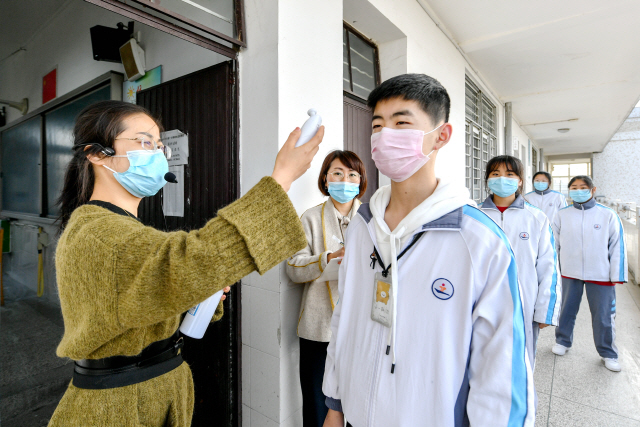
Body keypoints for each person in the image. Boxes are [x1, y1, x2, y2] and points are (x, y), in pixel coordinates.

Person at [48, 100, 324, 426]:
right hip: (118, 406)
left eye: (159, 146)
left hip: (150, 392)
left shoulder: (122, 228)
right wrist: (282, 179)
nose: (157, 154)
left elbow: (145, 296)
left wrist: (194, 293)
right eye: (144, 143)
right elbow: (190, 260)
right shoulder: (96, 233)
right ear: (96, 153)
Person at [322, 74, 535, 427]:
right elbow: (344, 318)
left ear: (441, 135)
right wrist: (335, 402)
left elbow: (501, 365)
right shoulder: (363, 226)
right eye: (377, 126)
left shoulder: (479, 240)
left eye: (401, 123)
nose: (384, 136)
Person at [285, 150, 367, 427]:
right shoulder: (309, 217)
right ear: (325, 178)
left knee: (359, 400)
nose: (345, 180)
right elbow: (293, 267)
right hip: (319, 328)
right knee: (318, 402)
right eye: (337, 173)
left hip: (361, 324)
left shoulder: (372, 219)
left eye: (352, 174)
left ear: (360, 181)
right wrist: (327, 259)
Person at [479, 155, 561, 367]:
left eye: (510, 174)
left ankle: (521, 400)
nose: (502, 179)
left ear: (520, 181)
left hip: (524, 302)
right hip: (482, 300)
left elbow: (548, 266)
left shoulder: (536, 218)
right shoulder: (475, 215)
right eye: (495, 174)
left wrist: (545, 310)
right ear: (487, 179)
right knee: (482, 359)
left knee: (521, 361)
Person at [552, 175, 627, 372]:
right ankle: (563, 341)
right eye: (574, 187)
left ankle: (608, 353)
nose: (578, 190)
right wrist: (554, 270)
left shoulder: (608, 215)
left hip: (601, 274)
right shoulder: (562, 215)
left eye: (582, 187)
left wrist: (616, 274)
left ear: (593, 190)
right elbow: (554, 245)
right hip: (569, 272)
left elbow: (617, 246)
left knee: (603, 316)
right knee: (566, 310)